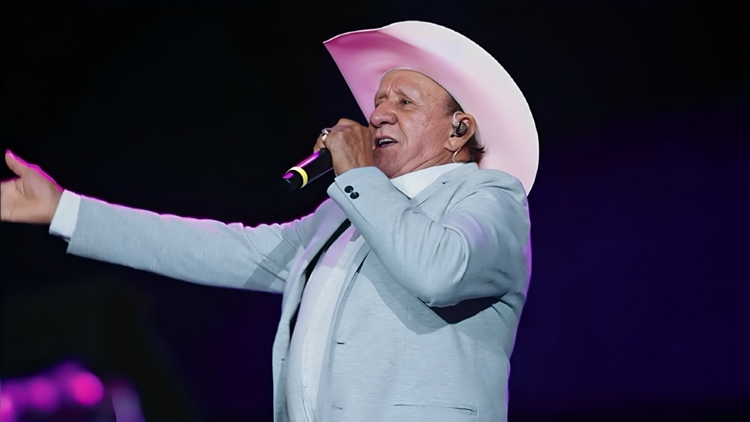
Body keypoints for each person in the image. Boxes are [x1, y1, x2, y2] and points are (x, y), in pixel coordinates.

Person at [1, 21, 538, 422]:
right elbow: (218, 249)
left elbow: (439, 272)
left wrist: (357, 176)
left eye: (405, 101)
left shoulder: (491, 198)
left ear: (458, 130)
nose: (378, 114)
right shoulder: (343, 217)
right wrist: (65, 208)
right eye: (378, 101)